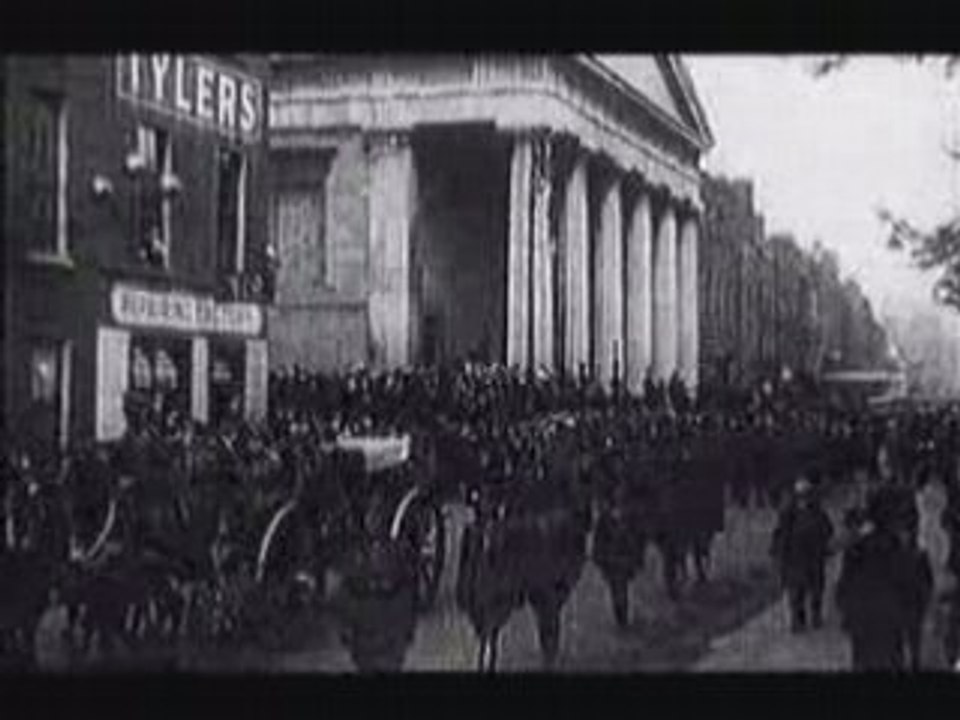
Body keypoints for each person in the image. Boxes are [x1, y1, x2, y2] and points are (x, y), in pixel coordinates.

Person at [835, 488, 916, 671]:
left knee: (864, 663)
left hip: (863, 620)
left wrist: (846, 612)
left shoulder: (856, 545)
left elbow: (844, 583)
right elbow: (907, 582)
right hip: (889, 618)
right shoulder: (896, 545)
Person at [771, 477, 834, 632]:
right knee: (796, 589)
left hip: (814, 554)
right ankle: (797, 619)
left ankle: (815, 614)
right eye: (800, 495)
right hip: (795, 555)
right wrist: (779, 551)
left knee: (816, 587)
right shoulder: (788, 513)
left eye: (806, 494)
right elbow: (781, 533)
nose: (803, 498)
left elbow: (827, 528)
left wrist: (824, 545)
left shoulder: (817, 511)